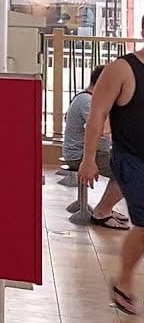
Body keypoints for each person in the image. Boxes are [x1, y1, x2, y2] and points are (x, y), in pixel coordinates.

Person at [81, 41, 144, 314]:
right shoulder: (122, 69)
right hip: (131, 159)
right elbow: (97, 114)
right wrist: (88, 159)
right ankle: (124, 282)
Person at [65, 65, 128, 228]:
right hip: (80, 155)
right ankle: (103, 211)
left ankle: (105, 208)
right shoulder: (88, 101)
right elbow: (99, 129)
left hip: (91, 153)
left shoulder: (85, 98)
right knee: (128, 170)